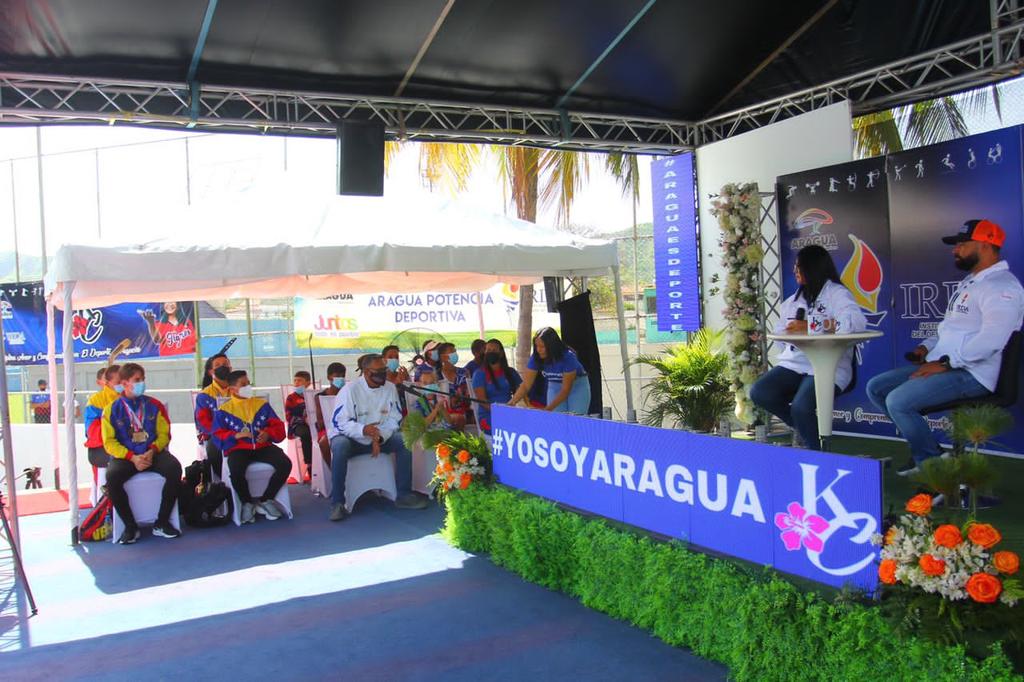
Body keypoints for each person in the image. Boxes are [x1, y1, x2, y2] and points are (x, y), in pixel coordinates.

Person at [867, 219, 1024, 475]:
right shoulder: (972, 282)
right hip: (948, 364)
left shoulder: (1002, 287)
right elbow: (952, 328)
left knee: (897, 401)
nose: (955, 249)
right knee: (877, 388)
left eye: (963, 244)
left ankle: (934, 469)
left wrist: (945, 364)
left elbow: (992, 341)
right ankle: (934, 456)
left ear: (986, 245)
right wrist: (927, 347)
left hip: (973, 373)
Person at [749, 245, 867, 450]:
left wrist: (813, 326)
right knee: (760, 392)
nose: (795, 271)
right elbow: (779, 334)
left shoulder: (837, 294)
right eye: (795, 267)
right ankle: (804, 429)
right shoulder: (792, 301)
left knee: (801, 407)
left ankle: (816, 453)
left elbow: (855, 323)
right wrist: (789, 334)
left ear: (813, 268)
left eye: (799, 267)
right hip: (795, 364)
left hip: (829, 365)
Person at [327, 354, 428, 522]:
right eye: (378, 371)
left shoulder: (389, 388)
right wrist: (364, 430)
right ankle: (337, 502)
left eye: (384, 370)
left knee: (404, 440)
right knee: (339, 446)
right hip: (352, 438)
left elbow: (394, 418)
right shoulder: (350, 390)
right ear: (366, 372)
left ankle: (403, 494)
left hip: (379, 437)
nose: (383, 373)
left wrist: (379, 437)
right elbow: (340, 422)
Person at [101, 363, 183, 544]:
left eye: (143, 379)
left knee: (174, 468)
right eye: (137, 380)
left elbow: (165, 434)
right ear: (124, 383)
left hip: (153, 452)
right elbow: (109, 443)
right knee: (112, 477)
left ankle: (161, 523)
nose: (142, 383)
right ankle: (130, 527)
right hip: (127, 456)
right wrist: (132, 457)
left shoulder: (154, 405)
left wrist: (152, 451)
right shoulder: (111, 410)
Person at [213, 370, 292, 524]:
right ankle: (247, 502)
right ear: (232, 389)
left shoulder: (261, 404)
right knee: (236, 469)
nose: (248, 387)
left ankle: (266, 499)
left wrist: (268, 433)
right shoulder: (223, 411)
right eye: (243, 384)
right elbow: (216, 436)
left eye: (248, 383)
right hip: (239, 449)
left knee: (285, 463)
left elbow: (278, 426)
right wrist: (235, 436)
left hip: (263, 446)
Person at [511, 328, 591, 414]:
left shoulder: (568, 357)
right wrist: (512, 402)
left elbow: (565, 390)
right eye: (536, 346)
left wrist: (547, 409)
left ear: (552, 346)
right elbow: (526, 385)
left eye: (542, 346)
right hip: (554, 385)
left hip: (577, 386)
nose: (538, 350)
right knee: (556, 419)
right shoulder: (536, 357)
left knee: (576, 418)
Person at [472, 339, 522, 434]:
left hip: (509, 411)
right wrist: (500, 412)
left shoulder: (511, 372)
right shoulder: (479, 374)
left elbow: (522, 390)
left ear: (501, 353)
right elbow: (482, 400)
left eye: (494, 350)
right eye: (488, 350)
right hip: (489, 414)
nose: (491, 353)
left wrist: (513, 407)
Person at [195, 353, 232, 477]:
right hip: (215, 435)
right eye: (218, 365)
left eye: (226, 364)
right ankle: (224, 482)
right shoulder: (204, 395)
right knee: (214, 450)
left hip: (239, 432)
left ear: (231, 368)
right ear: (211, 372)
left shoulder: (238, 389)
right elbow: (203, 423)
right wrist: (222, 433)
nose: (223, 367)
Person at [84, 364, 121, 468]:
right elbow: (91, 430)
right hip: (102, 448)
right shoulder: (95, 401)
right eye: (118, 381)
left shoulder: (129, 397)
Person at [313, 362, 347, 465]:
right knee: (324, 443)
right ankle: (333, 469)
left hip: (346, 427)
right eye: (337, 376)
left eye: (343, 376)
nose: (341, 378)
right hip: (327, 429)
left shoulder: (347, 393)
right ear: (329, 377)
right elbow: (320, 422)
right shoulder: (320, 397)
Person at [433, 341, 470, 430]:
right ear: (443, 357)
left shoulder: (464, 373)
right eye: (451, 351)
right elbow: (431, 397)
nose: (455, 354)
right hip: (442, 414)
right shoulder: (436, 376)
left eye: (455, 351)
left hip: (463, 413)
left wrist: (461, 398)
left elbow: (470, 396)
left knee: (460, 419)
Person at [284, 370, 314, 480]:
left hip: (313, 424)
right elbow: (288, 416)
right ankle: (310, 464)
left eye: (300, 380)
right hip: (297, 425)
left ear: (308, 383)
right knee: (306, 435)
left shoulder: (313, 395)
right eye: (295, 380)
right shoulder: (291, 398)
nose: (296, 383)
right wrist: (303, 419)